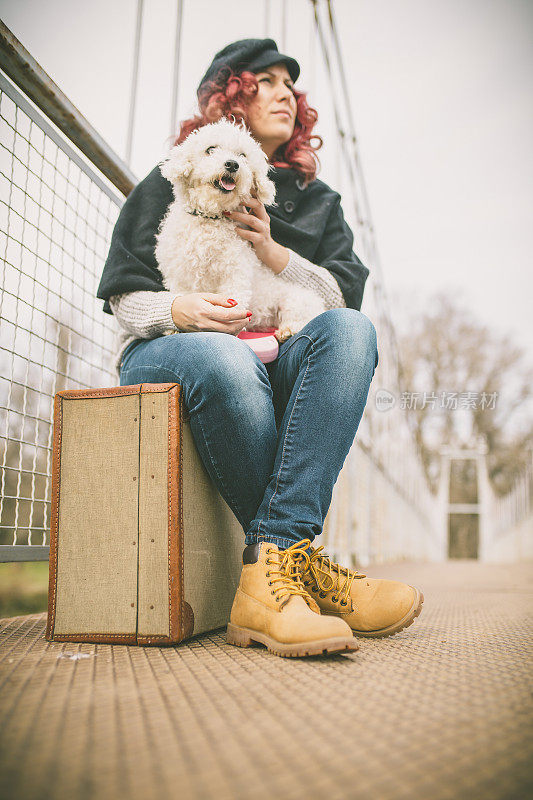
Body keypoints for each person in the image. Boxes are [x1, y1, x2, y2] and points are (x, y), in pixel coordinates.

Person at [96, 38, 423, 658]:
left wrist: (277, 255)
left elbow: (337, 300)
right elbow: (124, 299)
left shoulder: (319, 202)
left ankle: (271, 576)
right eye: (265, 81)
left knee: (354, 333)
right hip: (173, 348)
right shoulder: (169, 180)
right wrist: (178, 310)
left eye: (290, 86)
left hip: (277, 350)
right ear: (231, 96)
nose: (285, 94)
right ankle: (307, 572)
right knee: (224, 357)